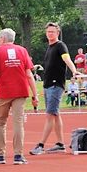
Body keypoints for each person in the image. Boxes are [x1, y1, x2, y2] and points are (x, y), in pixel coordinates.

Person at [0, 28, 38, 165]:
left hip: (3, 91)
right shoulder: (22, 51)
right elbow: (29, 74)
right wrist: (35, 94)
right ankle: (18, 155)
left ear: (2, 39)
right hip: (20, 91)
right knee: (18, 123)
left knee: (0, 123)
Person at [30, 22, 78, 155]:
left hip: (56, 85)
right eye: (48, 31)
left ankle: (41, 145)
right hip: (47, 85)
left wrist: (74, 70)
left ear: (57, 33)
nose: (50, 33)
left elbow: (67, 59)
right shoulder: (49, 47)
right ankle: (60, 144)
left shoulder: (60, 46)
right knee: (55, 114)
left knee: (50, 115)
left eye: (52, 31)